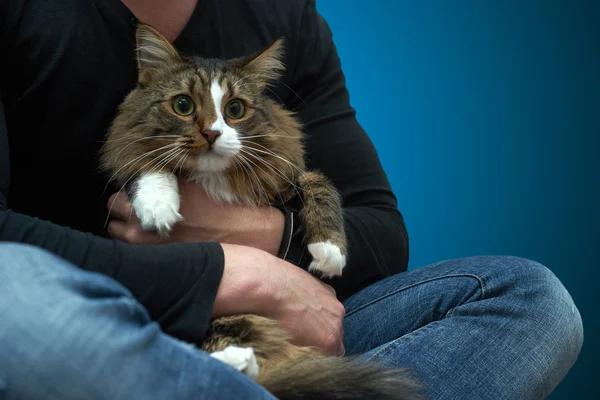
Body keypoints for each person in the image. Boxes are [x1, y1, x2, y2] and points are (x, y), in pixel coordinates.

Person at [0, 0, 583, 399]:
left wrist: (267, 240)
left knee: (530, 299)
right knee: (17, 300)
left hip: (277, 335)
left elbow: (379, 232)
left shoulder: (286, 15)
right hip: (92, 328)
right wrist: (226, 273)